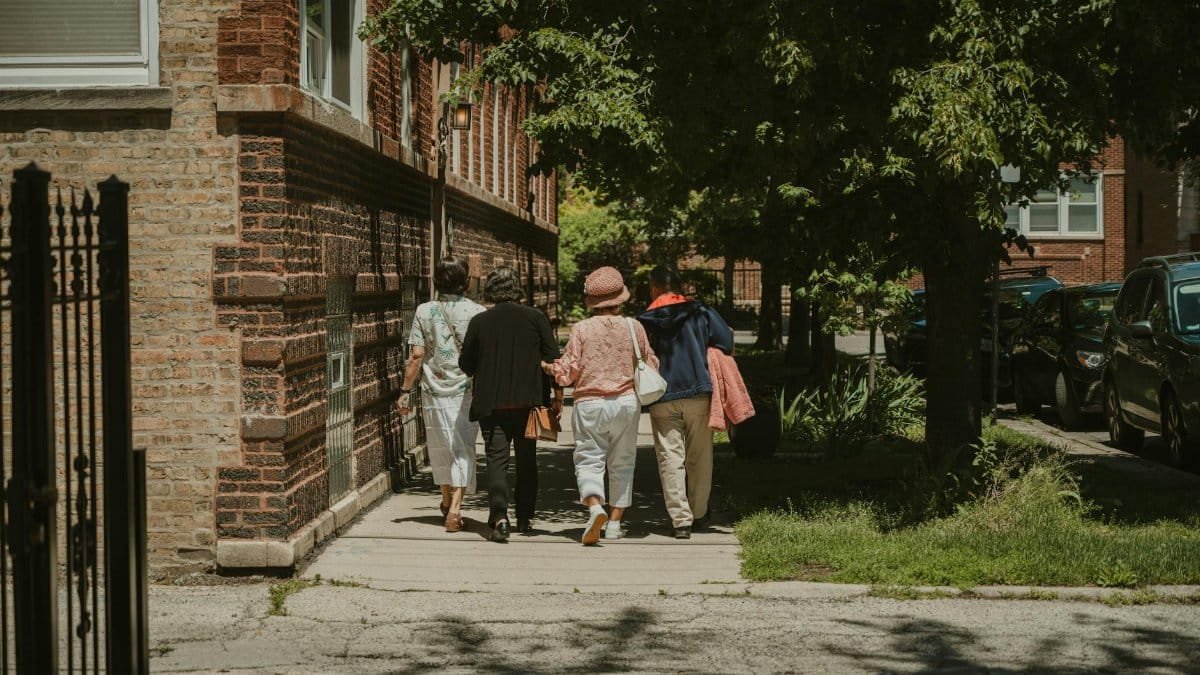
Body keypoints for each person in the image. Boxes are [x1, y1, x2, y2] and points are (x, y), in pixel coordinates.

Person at [548, 267, 659, 545]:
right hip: (626, 402)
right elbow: (650, 363)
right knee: (623, 462)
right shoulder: (634, 327)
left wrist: (552, 370)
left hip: (590, 403)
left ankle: (595, 507)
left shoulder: (581, 329)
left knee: (589, 460)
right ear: (620, 298)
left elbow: (568, 372)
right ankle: (614, 524)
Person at [459, 267, 563, 542]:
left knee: (496, 460)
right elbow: (554, 358)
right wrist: (558, 396)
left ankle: (500, 517)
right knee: (527, 460)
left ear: (490, 290)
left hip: (492, 403)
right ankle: (525, 518)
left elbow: (466, 365)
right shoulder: (536, 317)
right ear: (517, 288)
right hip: (530, 402)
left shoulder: (480, 322)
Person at [637, 266, 734, 539]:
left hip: (661, 395)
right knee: (700, 456)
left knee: (670, 457)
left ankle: (680, 520)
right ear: (680, 286)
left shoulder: (644, 319)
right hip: (698, 390)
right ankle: (700, 512)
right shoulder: (700, 311)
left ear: (654, 287)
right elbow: (725, 341)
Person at [398, 256, 486, 532]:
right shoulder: (478, 312)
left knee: (439, 446)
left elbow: (416, 356)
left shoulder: (425, 311)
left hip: (433, 391)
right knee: (463, 447)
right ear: (465, 280)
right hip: (466, 391)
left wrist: (404, 391)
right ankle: (457, 507)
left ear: (436, 280)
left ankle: (446, 497)